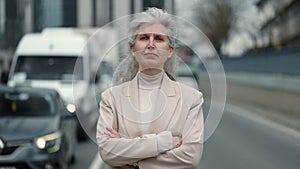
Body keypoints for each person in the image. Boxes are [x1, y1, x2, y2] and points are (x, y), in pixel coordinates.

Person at [96, 7, 204, 169]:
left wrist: (128, 152)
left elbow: (190, 158)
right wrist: (163, 142)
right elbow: (107, 152)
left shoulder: (192, 99)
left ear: (170, 50)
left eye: (159, 39)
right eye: (144, 38)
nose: (151, 44)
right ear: (133, 49)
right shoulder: (111, 98)